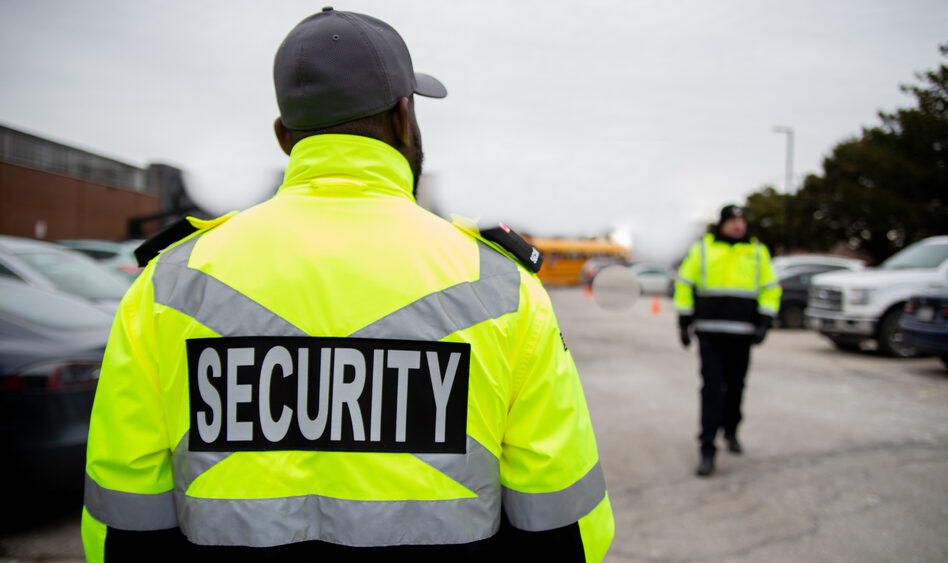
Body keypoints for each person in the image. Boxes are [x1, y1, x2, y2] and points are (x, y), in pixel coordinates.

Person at [81, 7, 613, 561]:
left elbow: (126, 512)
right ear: (405, 117)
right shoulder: (501, 286)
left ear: (285, 135)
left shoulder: (169, 283)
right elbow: (562, 520)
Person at [673, 204, 781, 477]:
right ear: (722, 223)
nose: (738, 225)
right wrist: (684, 321)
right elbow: (685, 283)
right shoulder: (703, 249)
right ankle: (707, 448)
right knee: (711, 389)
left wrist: (765, 320)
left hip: (742, 334)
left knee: (736, 387)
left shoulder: (757, 252)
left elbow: (770, 289)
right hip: (709, 333)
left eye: (742, 220)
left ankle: (731, 431)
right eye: (733, 220)